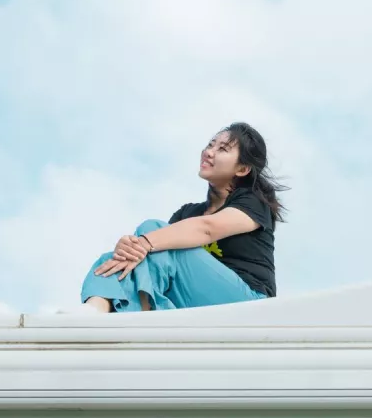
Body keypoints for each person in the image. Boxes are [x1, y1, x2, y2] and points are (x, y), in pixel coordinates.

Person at [78, 122, 287, 313]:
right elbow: (155, 263)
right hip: (196, 305)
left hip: (248, 304)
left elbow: (207, 229)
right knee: (112, 259)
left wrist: (144, 242)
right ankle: (93, 312)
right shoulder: (187, 213)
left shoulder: (254, 202)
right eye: (210, 145)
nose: (209, 152)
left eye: (222, 149)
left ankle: (133, 315)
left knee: (152, 231)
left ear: (242, 169)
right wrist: (128, 249)